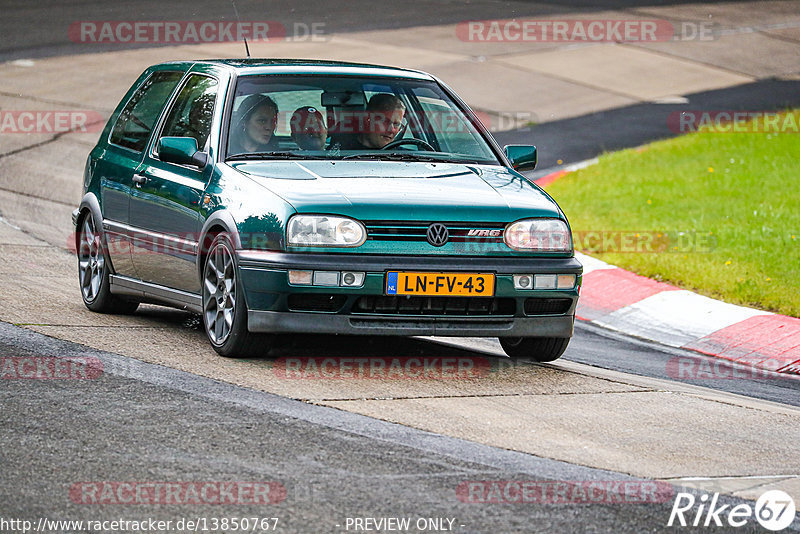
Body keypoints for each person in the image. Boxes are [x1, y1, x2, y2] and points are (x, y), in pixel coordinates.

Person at [330, 93, 405, 150]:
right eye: (385, 121)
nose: (391, 130)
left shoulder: (405, 157)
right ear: (367, 119)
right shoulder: (342, 151)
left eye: (396, 124)